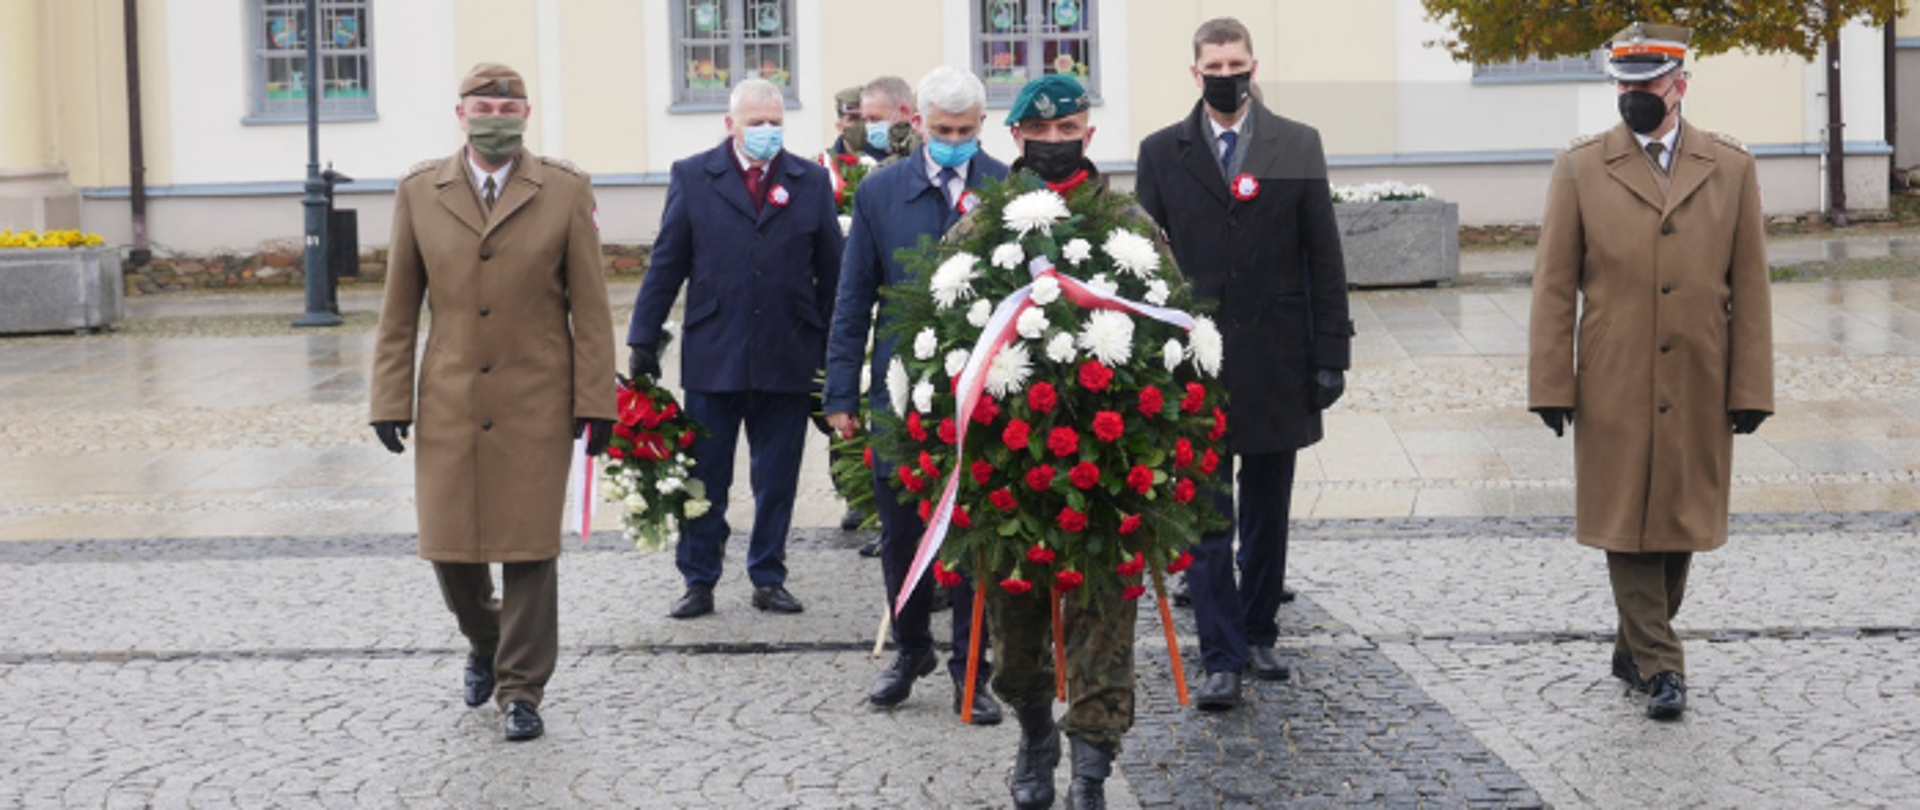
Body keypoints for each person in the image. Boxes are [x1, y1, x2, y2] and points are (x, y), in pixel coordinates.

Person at [1528, 22, 1773, 722]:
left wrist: (1752, 385)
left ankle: (1633, 643)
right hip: (1614, 373)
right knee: (1624, 516)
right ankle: (1663, 663)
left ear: (1680, 86)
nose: (1634, 97)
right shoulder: (1579, 167)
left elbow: (1750, 284)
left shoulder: (1730, 166)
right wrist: (1551, 383)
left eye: (1647, 86)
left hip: (1700, 371)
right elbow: (1553, 284)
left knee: (1678, 521)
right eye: (1624, 86)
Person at [369, 62, 616, 743]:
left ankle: (521, 689)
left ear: (526, 115)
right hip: (449, 396)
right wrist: (389, 397)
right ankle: (484, 638)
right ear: (460, 115)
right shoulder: (421, 191)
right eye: (483, 107)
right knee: (450, 548)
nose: (495, 118)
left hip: (536, 395)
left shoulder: (564, 190)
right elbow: (398, 310)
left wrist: (598, 401)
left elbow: (591, 310)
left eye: (508, 108)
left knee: (530, 549)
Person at [1135, 17, 1354, 711]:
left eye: (1237, 63)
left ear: (1253, 65)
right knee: (1205, 516)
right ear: (1195, 73)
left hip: (1277, 357)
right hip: (1191, 365)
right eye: (1214, 64)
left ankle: (1259, 630)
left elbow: (1323, 253)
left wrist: (1330, 351)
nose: (1226, 74)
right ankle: (1220, 655)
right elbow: (1143, 266)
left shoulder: (1294, 143)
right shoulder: (1161, 151)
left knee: (1267, 509)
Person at [965, 73, 1144, 810]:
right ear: (1015, 139)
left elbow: (1168, 314)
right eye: (1039, 136)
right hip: (1013, 464)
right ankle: (1036, 734)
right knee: (1017, 627)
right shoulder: (983, 222)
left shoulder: (1128, 219)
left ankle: (1092, 771)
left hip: (1109, 466)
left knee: (1105, 623)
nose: (1053, 146)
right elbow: (943, 329)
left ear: (1088, 136)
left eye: (1067, 133)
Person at [824, 66, 1007, 727]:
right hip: (899, 388)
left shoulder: (1007, 189)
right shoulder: (881, 191)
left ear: (980, 125)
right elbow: (852, 299)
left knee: (969, 533)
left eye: (965, 131)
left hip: (982, 389)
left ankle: (971, 667)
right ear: (919, 121)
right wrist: (840, 391)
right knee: (901, 529)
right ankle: (910, 650)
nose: (953, 140)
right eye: (942, 129)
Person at [627, 79, 844, 620]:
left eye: (775, 122)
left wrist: (836, 355)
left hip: (788, 351)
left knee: (776, 479)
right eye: (756, 122)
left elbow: (835, 275)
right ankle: (699, 579)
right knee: (706, 477)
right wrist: (642, 337)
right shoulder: (694, 176)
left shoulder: (810, 181)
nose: (766, 131)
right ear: (731, 124)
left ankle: (768, 575)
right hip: (714, 351)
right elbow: (667, 263)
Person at [857, 75, 921, 164]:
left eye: (875, 119)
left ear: (904, 112)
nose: (870, 127)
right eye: (865, 120)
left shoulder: (923, 153)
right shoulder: (867, 158)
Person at [827, 86, 868, 158]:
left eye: (866, 119)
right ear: (839, 125)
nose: (861, 124)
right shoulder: (824, 163)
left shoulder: (889, 161)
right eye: (854, 119)